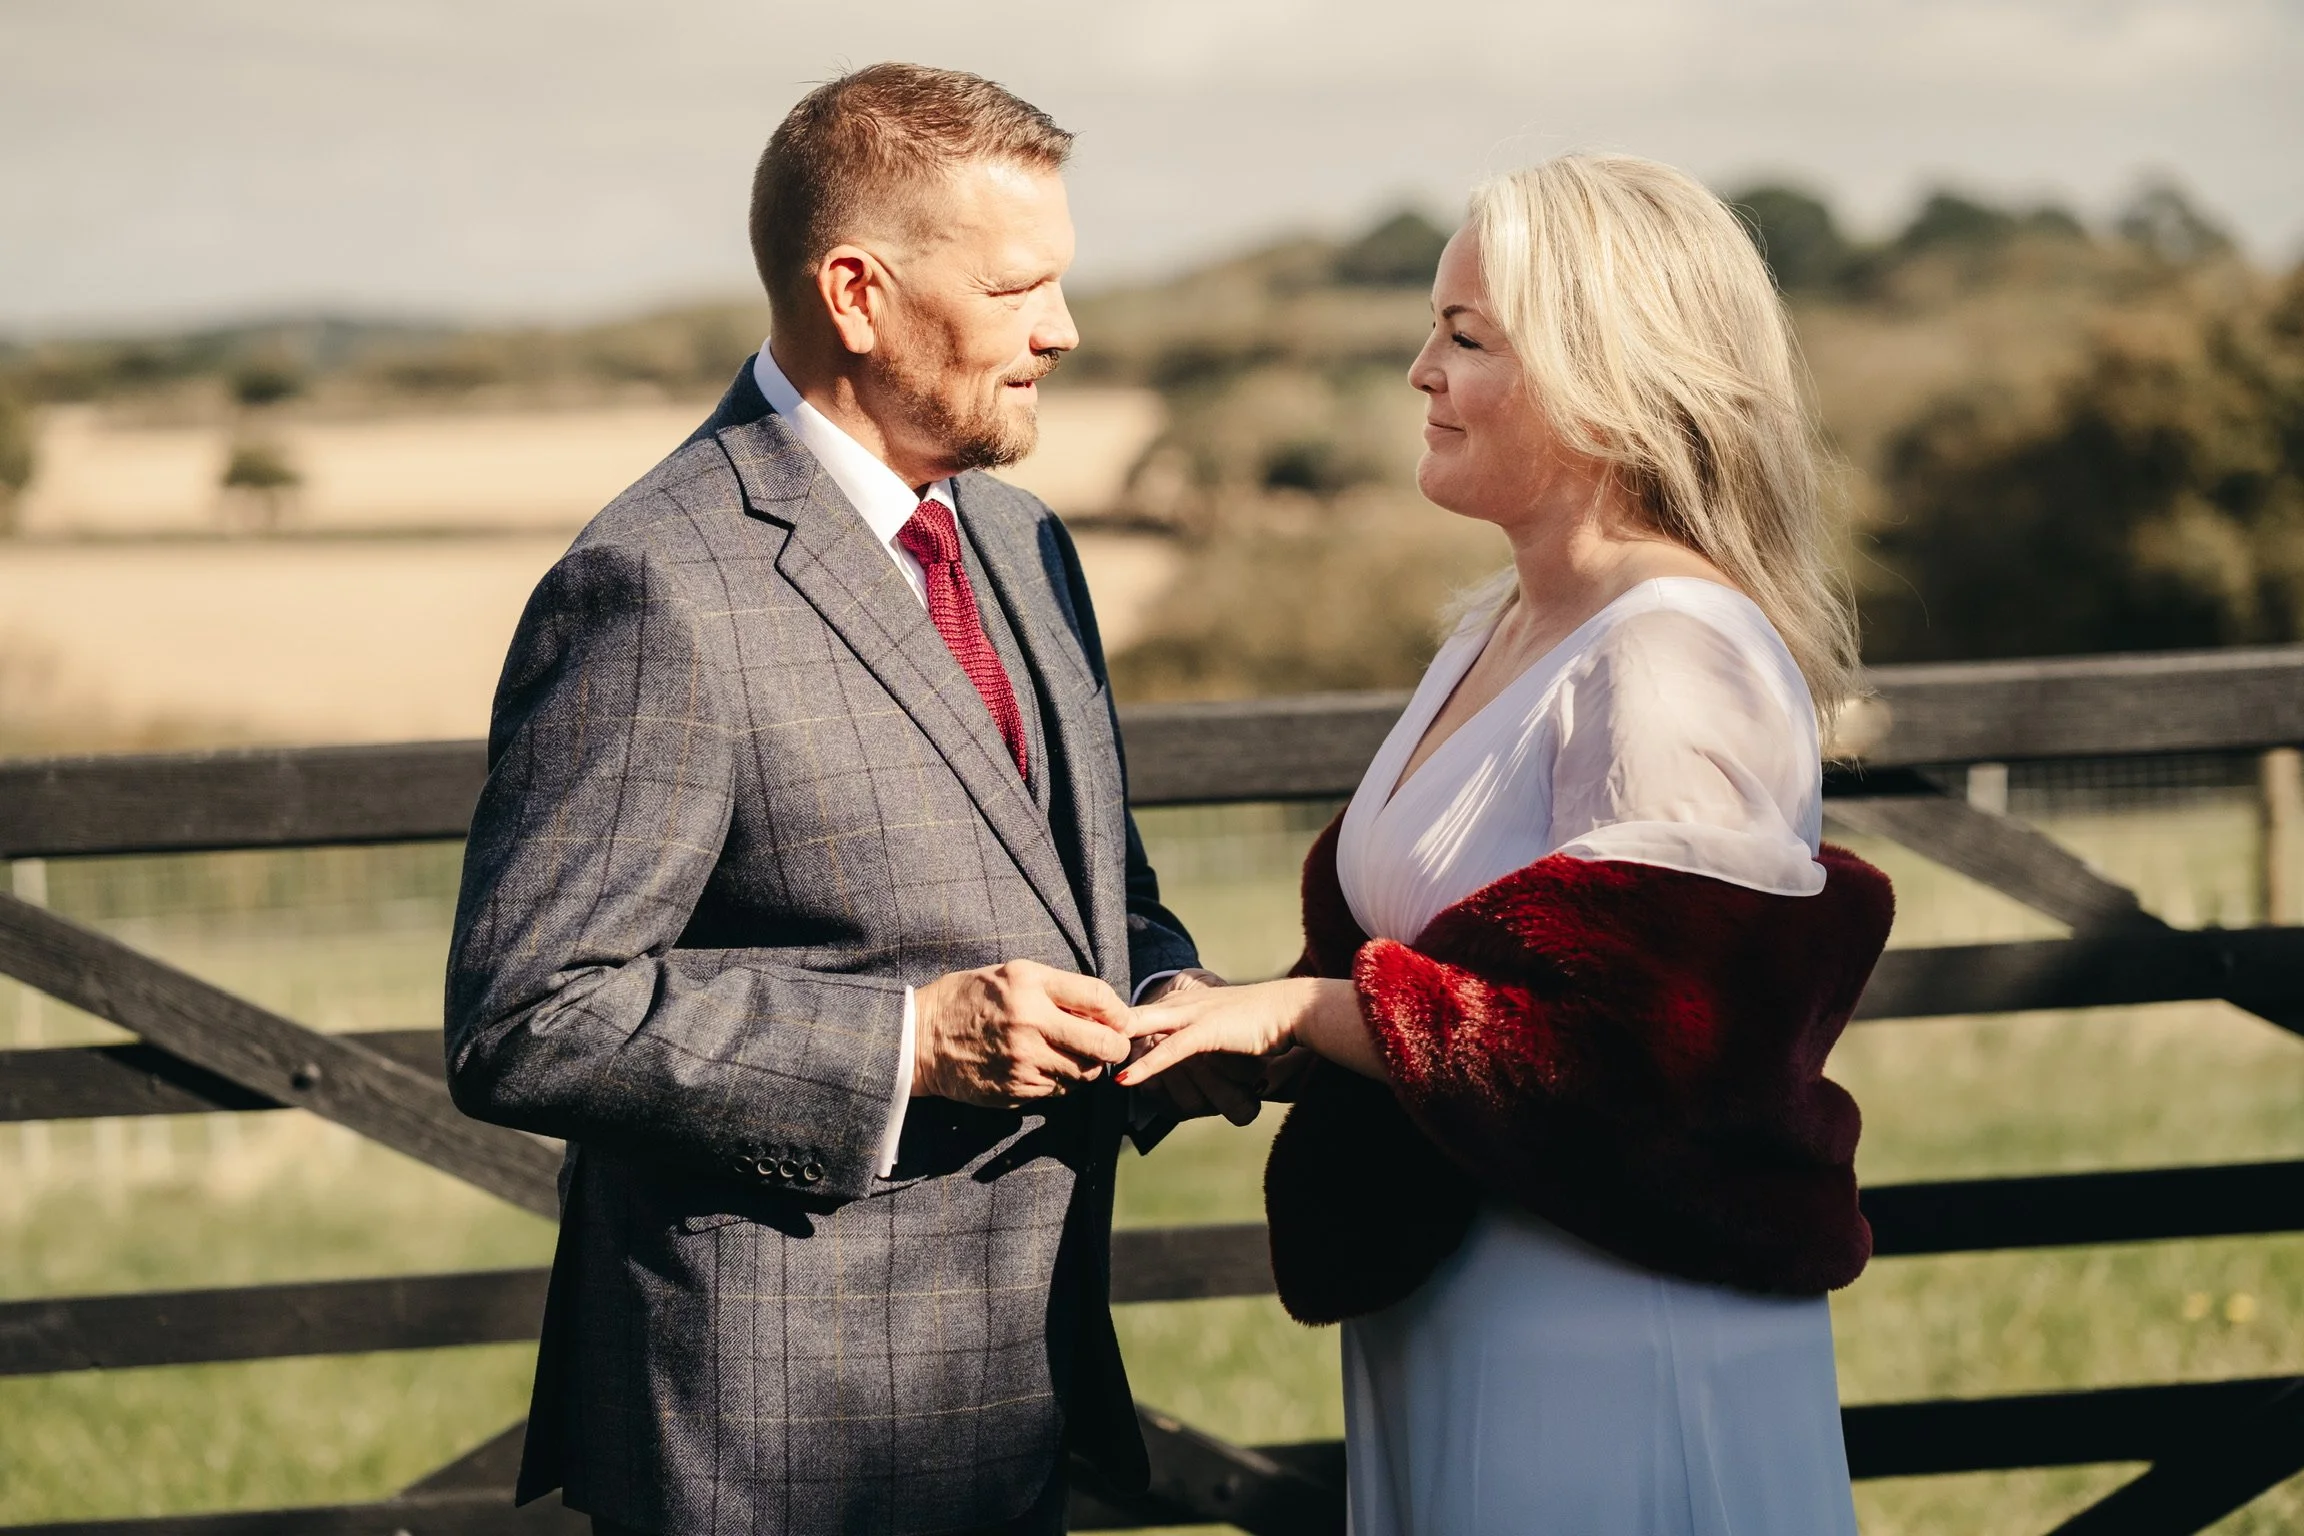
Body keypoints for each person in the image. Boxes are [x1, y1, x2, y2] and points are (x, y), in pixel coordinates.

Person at [444, 63, 1240, 1536]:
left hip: (1010, 1401)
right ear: (858, 294)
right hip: (769, 1438)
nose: (1061, 330)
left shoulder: (1023, 544)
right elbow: (528, 1016)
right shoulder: (655, 585)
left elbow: (1089, 890)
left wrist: (1174, 998)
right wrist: (910, 1044)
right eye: (1018, 289)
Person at [1117, 153, 1896, 1534]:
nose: (1419, 370)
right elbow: (1436, 968)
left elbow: (1647, 1053)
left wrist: (1302, 1009)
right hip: (1462, 1294)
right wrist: (1242, 1026)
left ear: (1609, 379)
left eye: (1467, 337)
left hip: (1605, 1324)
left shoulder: (1669, 661)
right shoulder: (1498, 624)